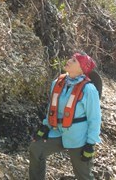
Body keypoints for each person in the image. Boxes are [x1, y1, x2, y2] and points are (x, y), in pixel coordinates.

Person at [29, 52, 102, 180]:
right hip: (56, 131)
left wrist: (90, 144)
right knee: (36, 149)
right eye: (71, 58)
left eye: (74, 61)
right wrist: (45, 126)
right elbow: (52, 108)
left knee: (83, 175)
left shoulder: (89, 89)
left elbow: (94, 118)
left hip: (78, 137)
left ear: (82, 69)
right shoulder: (57, 82)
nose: (69, 60)